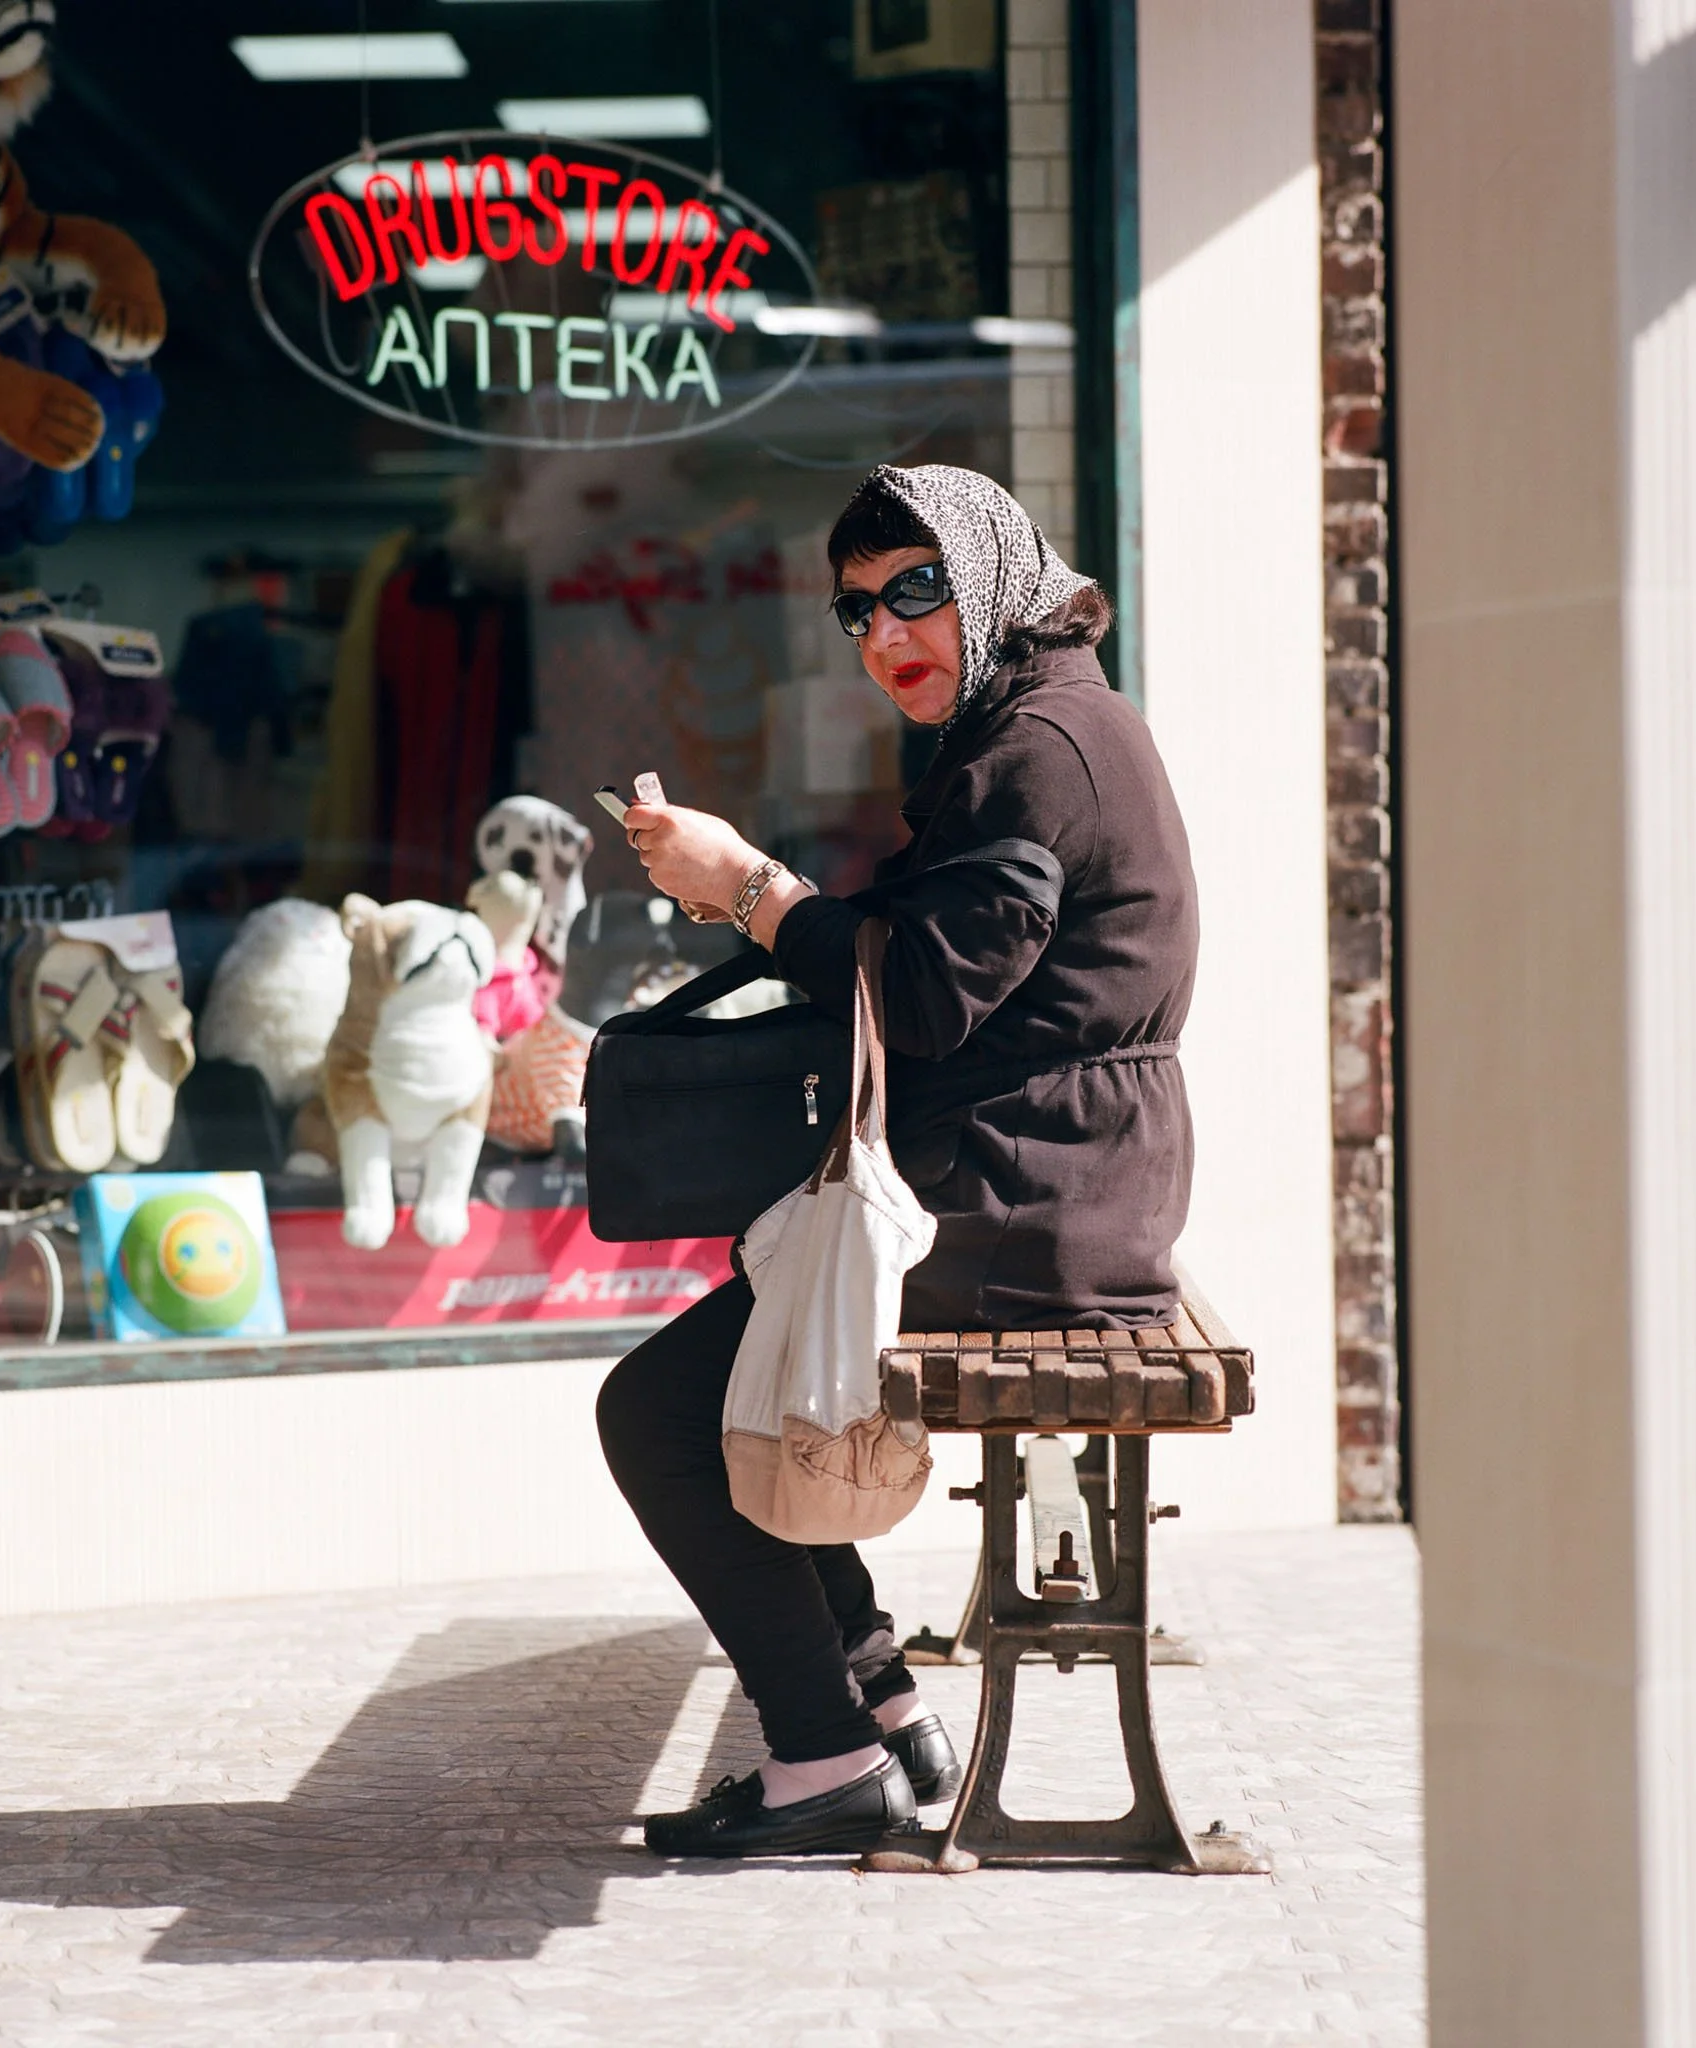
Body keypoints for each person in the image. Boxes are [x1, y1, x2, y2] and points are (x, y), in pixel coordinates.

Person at [596, 462, 1200, 1857]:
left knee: (664, 1414)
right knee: (746, 1373)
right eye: (857, 609)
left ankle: (824, 1756)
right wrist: (758, 902)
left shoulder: (1037, 749)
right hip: (1047, 1177)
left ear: (987, 578)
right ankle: (873, 1707)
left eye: (916, 590)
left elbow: (921, 997)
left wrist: (747, 888)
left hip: (1028, 1204)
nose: (885, 634)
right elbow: (943, 969)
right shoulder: (1048, 723)